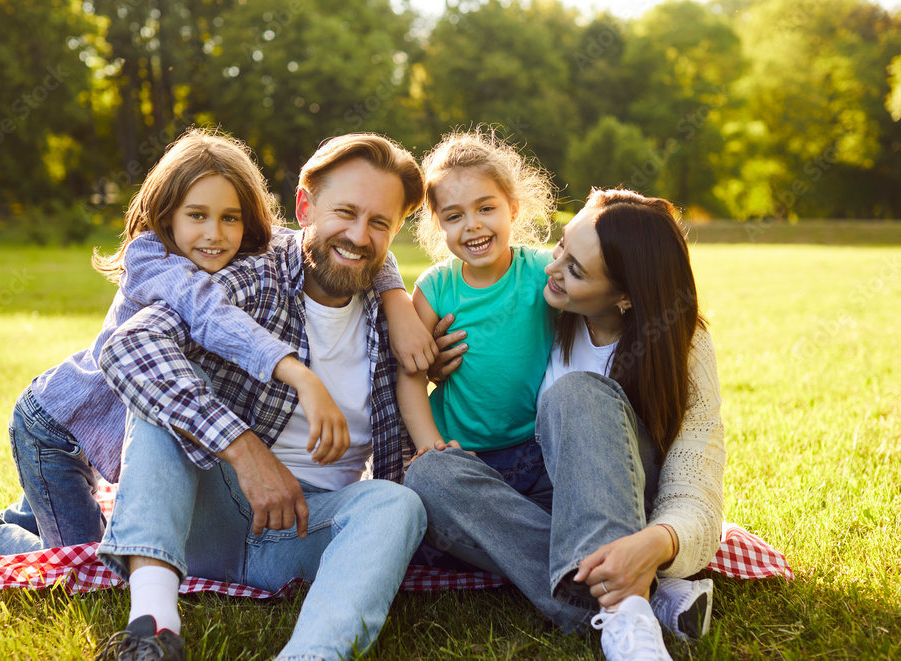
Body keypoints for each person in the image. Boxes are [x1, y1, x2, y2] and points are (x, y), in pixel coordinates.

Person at [0, 128, 431, 565]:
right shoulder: (160, 263)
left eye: (230, 218)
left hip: (109, 438)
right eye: (196, 215)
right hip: (61, 430)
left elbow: (340, 237)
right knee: (85, 564)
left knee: (71, 526)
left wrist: (394, 295)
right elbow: (215, 316)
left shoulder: (245, 250)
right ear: (166, 215)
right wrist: (295, 371)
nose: (215, 234)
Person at [93, 134, 428, 661]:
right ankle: (153, 629)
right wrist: (245, 449)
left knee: (397, 503)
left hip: (306, 531)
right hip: (215, 511)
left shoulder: (398, 318)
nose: (359, 235)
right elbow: (129, 346)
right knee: (162, 399)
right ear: (304, 206)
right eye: (344, 211)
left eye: (379, 222)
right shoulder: (252, 277)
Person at [405, 188, 725, 661]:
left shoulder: (682, 345)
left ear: (625, 298)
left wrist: (658, 543)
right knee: (428, 474)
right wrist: (435, 365)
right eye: (560, 247)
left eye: (575, 271)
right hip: (542, 496)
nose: (551, 269)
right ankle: (642, 597)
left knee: (575, 392)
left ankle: (618, 616)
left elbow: (696, 491)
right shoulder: (546, 305)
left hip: (625, 500)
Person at [397, 129, 556, 482]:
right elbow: (410, 375)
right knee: (435, 484)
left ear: (512, 208)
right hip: (462, 451)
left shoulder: (543, 272)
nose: (473, 225)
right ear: (439, 224)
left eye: (486, 207)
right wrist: (435, 448)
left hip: (539, 447)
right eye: (454, 216)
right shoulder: (436, 287)